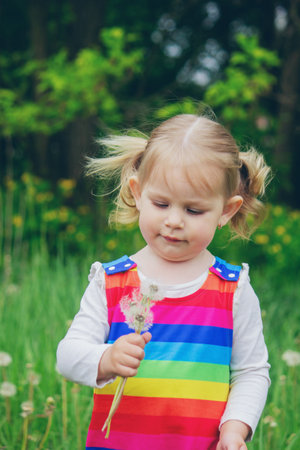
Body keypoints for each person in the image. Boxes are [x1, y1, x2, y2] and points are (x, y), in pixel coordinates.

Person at [56, 113, 271, 450]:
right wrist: (106, 359)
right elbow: (67, 356)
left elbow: (251, 372)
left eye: (194, 210)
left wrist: (234, 428)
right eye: (161, 203)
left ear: (225, 211)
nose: (173, 221)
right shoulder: (111, 281)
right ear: (138, 193)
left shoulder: (233, 290)